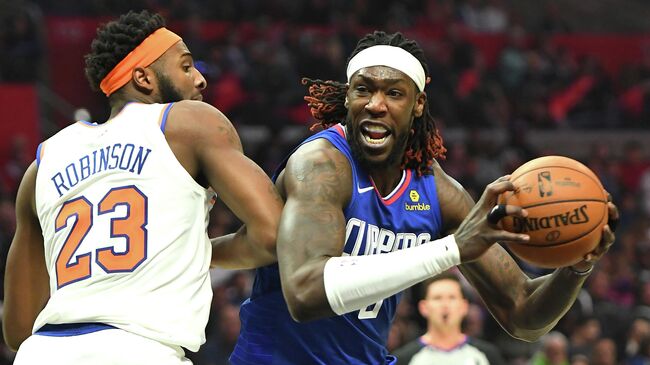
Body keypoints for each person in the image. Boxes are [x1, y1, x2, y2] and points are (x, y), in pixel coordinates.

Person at [230, 30, 618, 365]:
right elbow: (304, 292)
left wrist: (576, 266)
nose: (376, 104)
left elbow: (523, 314)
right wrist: (452, 249)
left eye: (394, 93)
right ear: (347, 98)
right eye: (363, 89)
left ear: (417, 105)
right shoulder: (320, 166)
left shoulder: (438, 191)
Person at [2, 10, 283, 365]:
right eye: (185, 66)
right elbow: (273, 234)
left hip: (42, 352)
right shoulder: (188, 123)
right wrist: (198, 253)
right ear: (144, 78)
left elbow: (17, 327)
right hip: (140, 350)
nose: (200, 80)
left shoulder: (40, 165)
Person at [393, 272, 505, 365]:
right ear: (424, 308)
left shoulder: (487, 355)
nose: (445, 305)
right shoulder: (404, 359)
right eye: (437, 298)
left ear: (464, 306)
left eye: (452, 298)